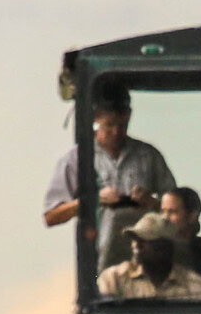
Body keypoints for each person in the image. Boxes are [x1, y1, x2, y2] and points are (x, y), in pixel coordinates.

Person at [42, 86, 176, 270]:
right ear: (95, 120)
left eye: (122, 125)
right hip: (98, 267)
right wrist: (93, 200)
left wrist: (151, 203)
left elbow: (177, 211)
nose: (116, 132)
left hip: (148, 264)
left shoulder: (148, 156)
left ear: (129, 116)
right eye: (110, 125)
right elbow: (51, 216)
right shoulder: (75, 160)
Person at [97, 212, 201, 300]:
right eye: (134, 239)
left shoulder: (199, 289)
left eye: (146, 239)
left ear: (167, 247)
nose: (137, 245)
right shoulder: (114, 279)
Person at [159, 187, 201, 285]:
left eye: (172, 212)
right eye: (162, 211)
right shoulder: (155, 247)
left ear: (192, 216)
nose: (164, 218)